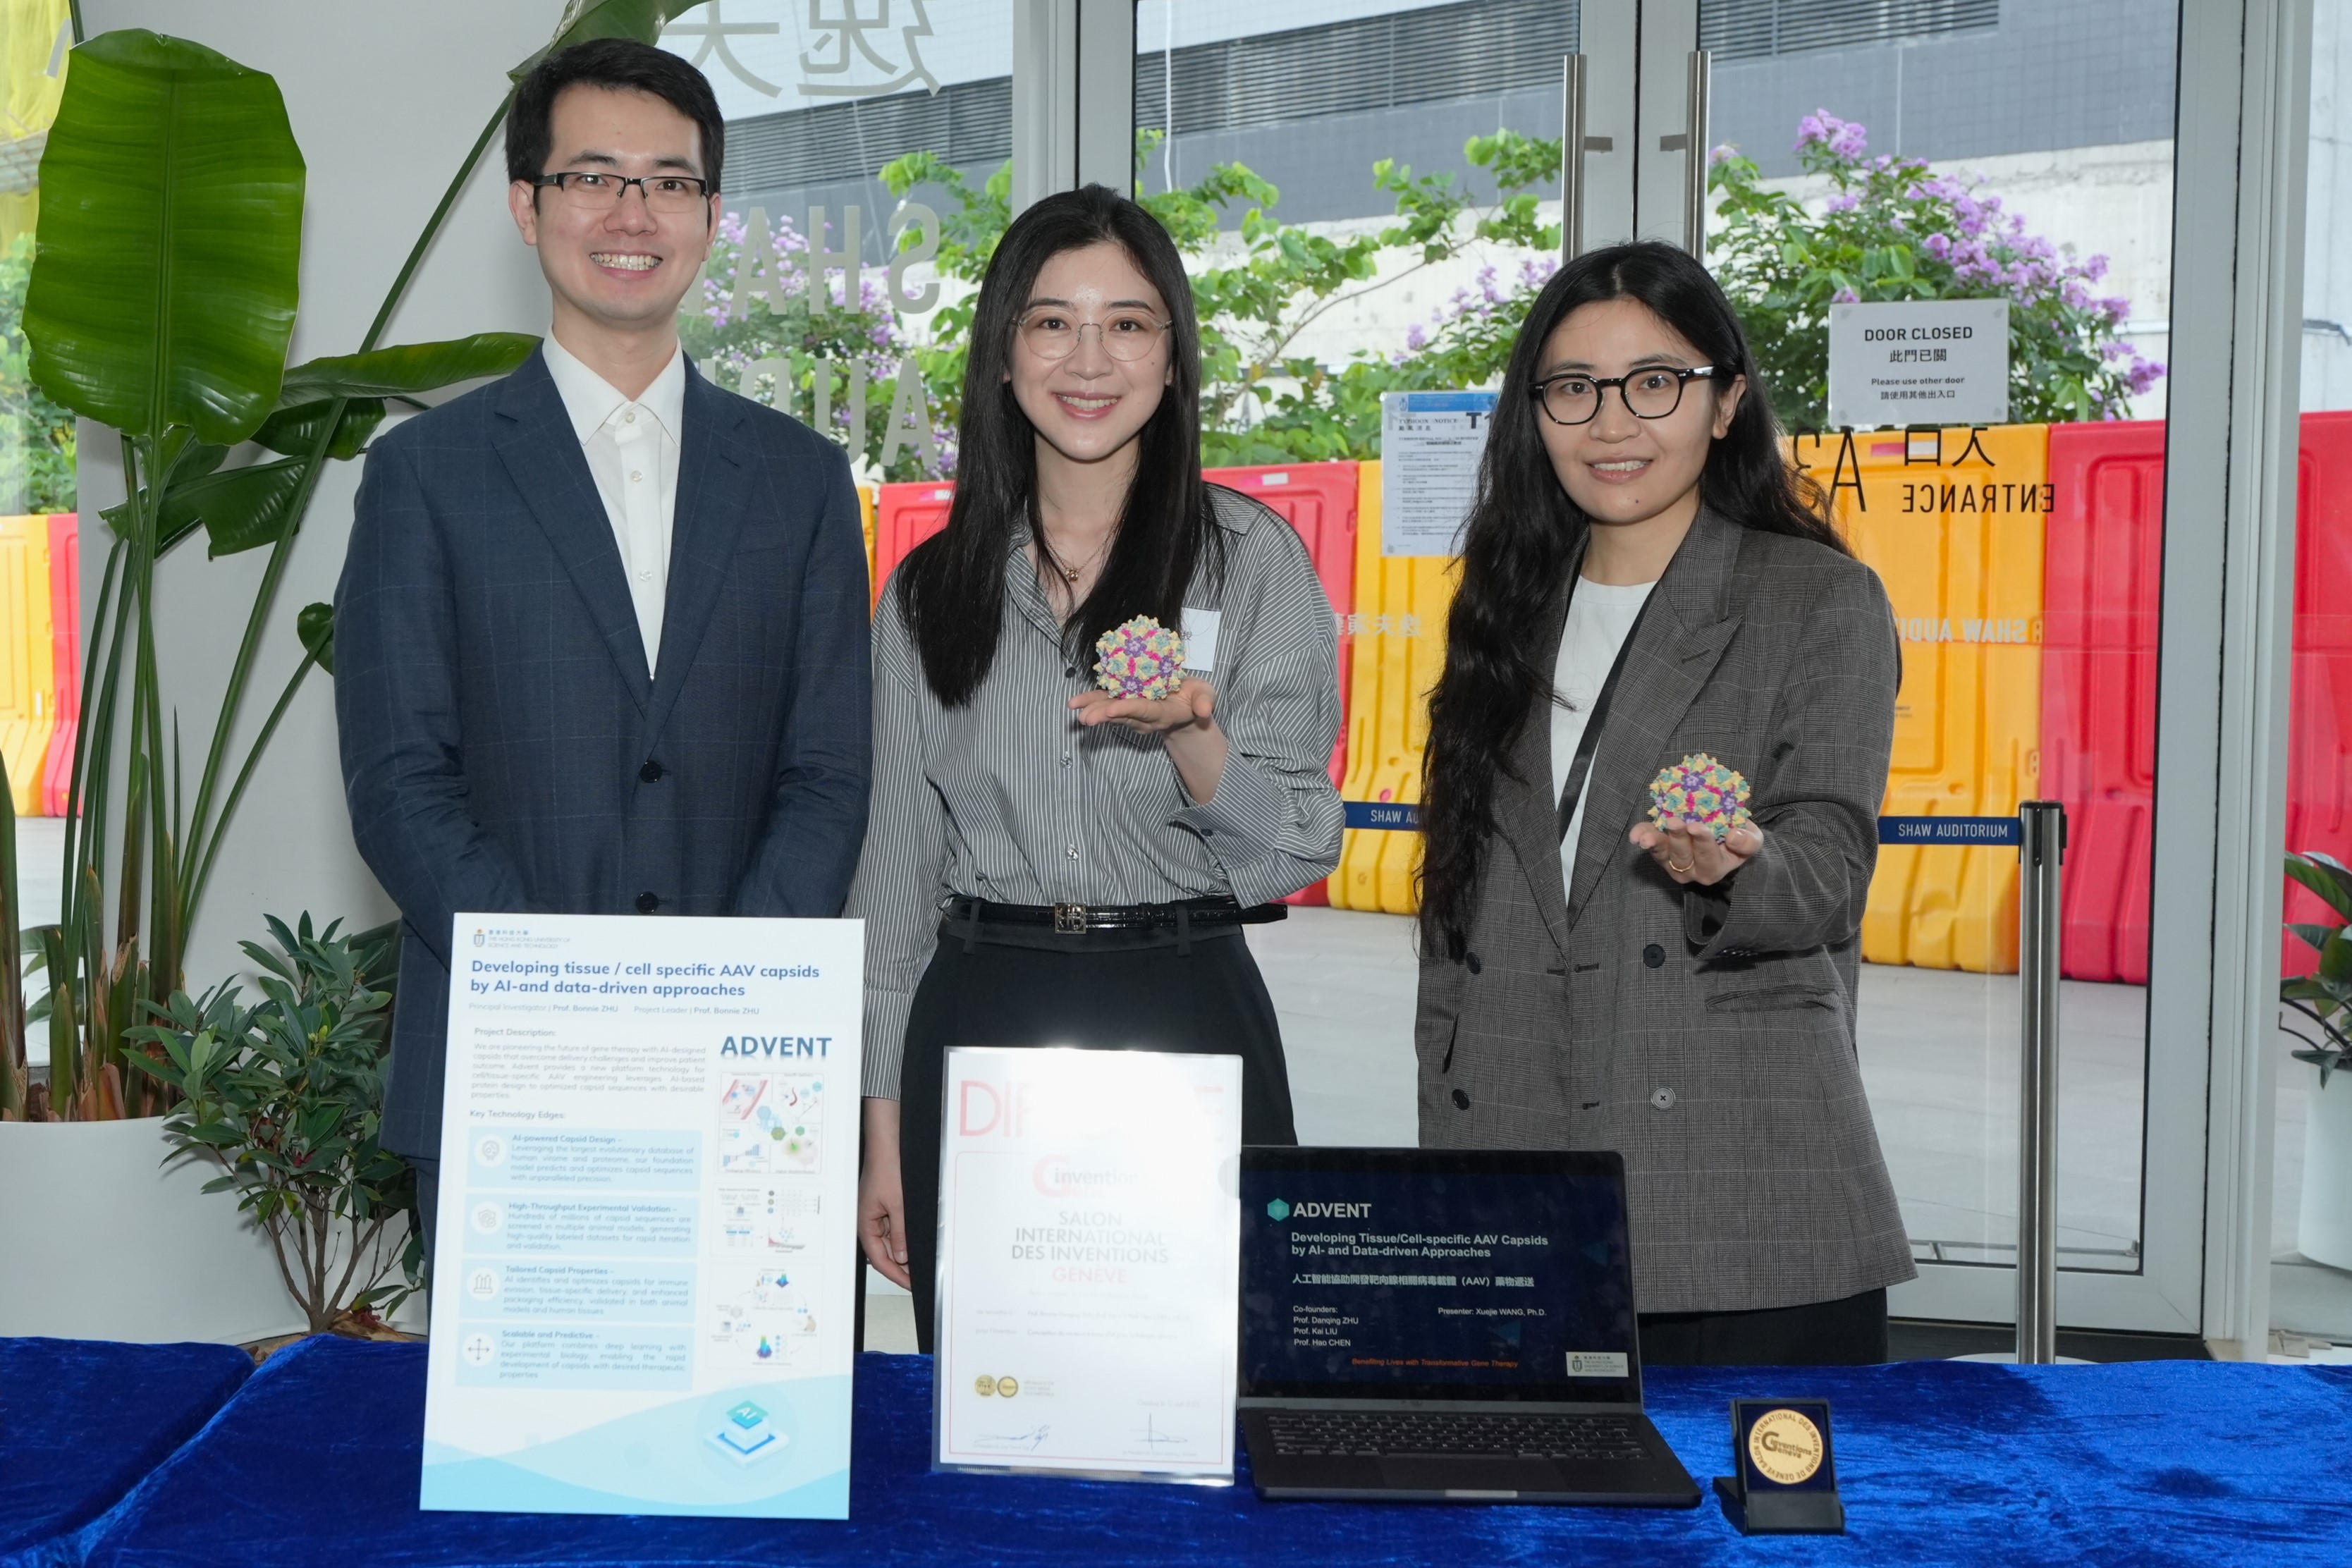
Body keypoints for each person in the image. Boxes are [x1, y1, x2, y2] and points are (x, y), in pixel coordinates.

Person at [335, 39, 871, 1247]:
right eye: (593, 177)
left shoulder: (800, 479)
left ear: (712, 217)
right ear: (528, 207)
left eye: (671, 182)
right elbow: (400, 782)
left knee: (745, 1380)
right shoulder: (424, 475)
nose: (634, 214)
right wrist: (567, 1004)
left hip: (750, 1081)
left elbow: (830, 772)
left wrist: (721, 1001)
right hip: (507, 1071)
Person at [850, 185, 1343, 1350]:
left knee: (1206, 1384)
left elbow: (1298, 842)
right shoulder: (930, 592)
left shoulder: (1250, 561)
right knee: (992, 1391)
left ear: (1172, 358)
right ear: (1004, 354)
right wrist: (882, 1131)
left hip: (1188, 1000)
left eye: (1126, 323)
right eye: (1051, 323)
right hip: (982, 1012)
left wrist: (1190, 735)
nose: (1089, 359)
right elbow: (893, 884)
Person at [1414, 240, 1913, 1366]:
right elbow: (1463, 922)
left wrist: (1735, 865)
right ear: (1534, 413)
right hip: (1515, 1166)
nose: (1611, 423)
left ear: (1726, 402)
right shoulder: (1502, 608)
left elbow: (1831, 864)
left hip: (1737, 1178)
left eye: (1655, 382)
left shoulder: (1817, 599)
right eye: (1574, 388)